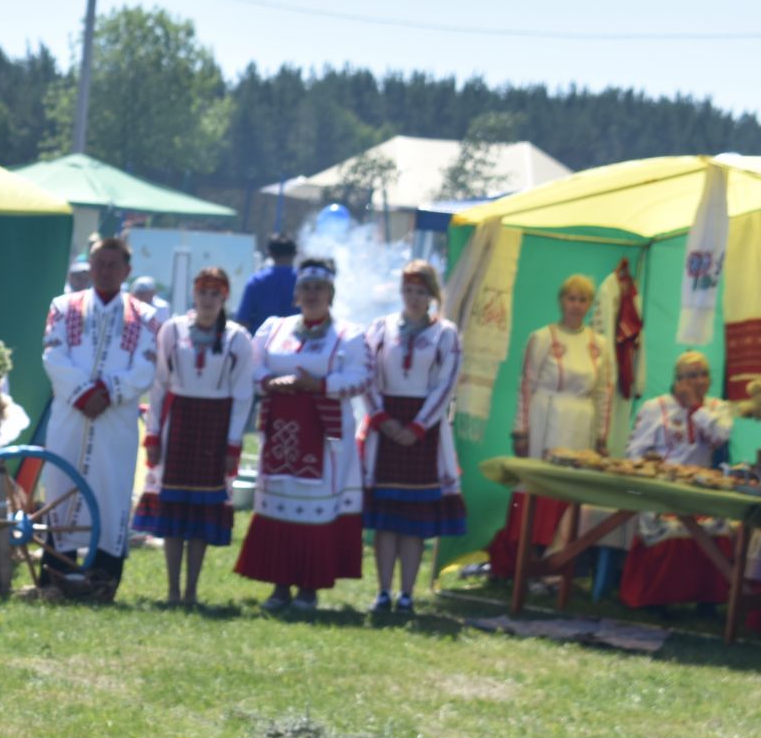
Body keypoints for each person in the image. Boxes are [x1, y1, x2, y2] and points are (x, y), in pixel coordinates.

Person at [233, 258, 369, 612]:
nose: (312, 294)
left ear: (331, 294)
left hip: (326, 439)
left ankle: (308, 587)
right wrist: (270, 382)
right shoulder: (274, 328)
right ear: (295, 294)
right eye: (306, 288)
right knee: (280, 500)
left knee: (313, 509)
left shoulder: (348, 334)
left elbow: (360, 377)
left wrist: (319, 385)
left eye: (319, 288)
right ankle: (279, 586)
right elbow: (252, 365)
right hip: (280, 430)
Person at [39, 233, 158, 600]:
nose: (105, 272)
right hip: (71, 416)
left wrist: (109, 392)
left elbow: (146, 365)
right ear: (89, 266)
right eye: (99, 264)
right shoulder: (64, 306)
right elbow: (53, 356)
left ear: (127, 270)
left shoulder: (146, 316)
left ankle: (103, 580)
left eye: (113, 265)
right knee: (61, 487)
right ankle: (56, 576)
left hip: (115, 419)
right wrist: (84, 393)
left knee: (112, 491)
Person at [136, 266, 256, 606]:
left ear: (224, 298)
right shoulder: (172, 330)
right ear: (194, 293)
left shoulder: (237, 338)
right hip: (180, 423)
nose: (207, 299)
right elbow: (159, 386)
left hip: (215, 426)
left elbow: (243, 394)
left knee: (203, 509)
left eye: (214, 293)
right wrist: (155, 434)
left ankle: (192, 590)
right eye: (202, 292)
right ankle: (173, 590)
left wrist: (233, 442)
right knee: (174, 508)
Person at [486, 274, 615, 580]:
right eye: (571, 298)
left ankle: (557, 560)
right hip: (546, 419)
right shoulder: (542, 337)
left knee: (569, 490)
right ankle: (524, 558)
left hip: (581, 423)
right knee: (537, 489)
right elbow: (525, 385)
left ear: (589, 304)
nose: (576, 305)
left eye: (582, 299)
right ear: (561, 301)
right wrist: (521, 430)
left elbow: (604, 392)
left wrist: (601, 437)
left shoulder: (600, 345)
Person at [361, 260, 466, 612]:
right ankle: (383, 591)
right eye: (409, 290)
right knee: (387, 518)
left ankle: (407, 593)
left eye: (421, 292)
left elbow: (446, 383)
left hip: (425, 432)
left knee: (414, 520)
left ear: (431, 294)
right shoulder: (380, 329)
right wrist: (381, 418)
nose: (414, 298)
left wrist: (420, 425)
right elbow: (367, 375)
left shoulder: (445, 334)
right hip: (386, 427)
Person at [619, 351, 738, 610]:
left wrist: (696, 407)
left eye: (704, 374)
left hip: (701, 490)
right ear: (677, 380)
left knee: (718, 527)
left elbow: (720, 437)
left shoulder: (718, 408)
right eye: (691, 376)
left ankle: (708, 601)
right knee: (669, 527)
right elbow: (632, 452)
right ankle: (658, 601)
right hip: (663, 490)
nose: (699, 380)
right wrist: (649, 461)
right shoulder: (655, 407)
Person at [235, 235, 297, 332]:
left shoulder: (256, 281)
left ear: (270, 253)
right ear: (295, 253)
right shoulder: (305, 282)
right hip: (297, 343)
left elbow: (243, 321)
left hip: (262, 344)